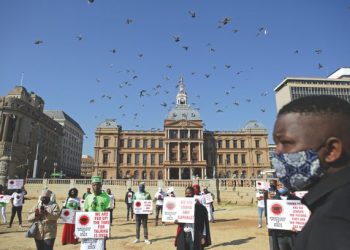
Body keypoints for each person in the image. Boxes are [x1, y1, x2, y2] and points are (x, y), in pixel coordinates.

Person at [271, 95, 350, 250]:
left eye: (286, 143)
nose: (277, 154)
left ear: (332, 150)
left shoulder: (332, 223)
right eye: (276, 144)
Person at [268, 184, 299, 250]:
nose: (282, 186)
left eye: (284, 184)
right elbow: (271, 218)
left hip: (293, 235)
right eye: (279, 185)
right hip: (280, 235)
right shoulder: (273, 201)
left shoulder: (297, 200)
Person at [83, 176, 110, 250]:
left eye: (98, 184)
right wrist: (82, 228)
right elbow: (85, 212)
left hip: (100, 226)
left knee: (101, 246)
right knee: (89, 245)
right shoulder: (88, 197)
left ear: (101, 186)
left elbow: (108, 214)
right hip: (89, 225)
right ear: (92, 186)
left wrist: (107, 229)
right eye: (94, 185)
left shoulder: (106, 198)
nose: (96, 186)